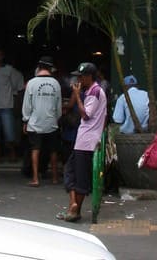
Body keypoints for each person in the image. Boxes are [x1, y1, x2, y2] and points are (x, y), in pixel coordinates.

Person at [60, 62, 107, 223]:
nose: (79, 79)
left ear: (88, 77)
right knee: (70, 171)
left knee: (79, 177)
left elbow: (86, 114)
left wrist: (78, 95)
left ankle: (75, 210)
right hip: (85, 139)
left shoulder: (94, 92)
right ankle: (73, 206)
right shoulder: (92, 91)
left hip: (86, 140)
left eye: (81, 76)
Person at [22, 56, 62, 187]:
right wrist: (56, 119)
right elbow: (58, 106)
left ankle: (35, 178)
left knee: (35, 149)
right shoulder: (56, 83)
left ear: (38, 67)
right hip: (51, 123)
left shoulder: (31, 83)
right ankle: (55, 177)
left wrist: (25, 120)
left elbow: (27, 105)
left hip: (35, 122)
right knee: (53, 150)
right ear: (51, 68)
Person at [0, 48, 24, 162]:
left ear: (2, 57)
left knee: (9, 132)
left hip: (7, 105)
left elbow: (19, 84)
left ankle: (12, 155)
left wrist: (14, 96)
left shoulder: (9, 70)